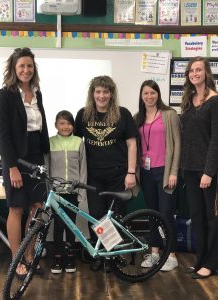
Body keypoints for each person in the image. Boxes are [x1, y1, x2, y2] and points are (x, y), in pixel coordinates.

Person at [0, 47, 50, 278]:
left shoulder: (37, 92)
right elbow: (4, 135)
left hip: (36, 154)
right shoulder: (5, 94)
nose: (26, 70)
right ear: (14, 69)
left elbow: (40, 127)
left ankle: (30, 257)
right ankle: (17, 260)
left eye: (29, 66)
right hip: (16, 158)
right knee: (16, 209)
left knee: (36, 208)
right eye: (21, 66)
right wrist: (12, 167)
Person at [74, 75, 138, 271]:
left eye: (105, 92)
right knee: (97, 215)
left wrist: (131, 172)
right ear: (92, 94)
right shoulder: (83, 115)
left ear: (111, 94)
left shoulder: (122, 114)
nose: (101, 96)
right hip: (93, 176)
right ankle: (101, 255)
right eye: (98, 91)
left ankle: (113, 257)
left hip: (118, 174)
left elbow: (132, 144)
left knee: (116, 216)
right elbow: (75, 145)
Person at [134, 80, 181, 271]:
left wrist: (173, 172)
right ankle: (154, 253)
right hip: (146, 172)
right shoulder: (137, 117)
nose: (149, 96)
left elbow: (178, 144)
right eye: (145, 93)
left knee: (166, 213)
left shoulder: (169, 115)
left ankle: (171, 255)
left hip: (164, 171)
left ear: (158, 94)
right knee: (152, 214)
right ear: (141, 96)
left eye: (153, 93)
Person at [181, 56, 218, 279]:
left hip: (208, 172)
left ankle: (211, 263)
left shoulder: (214, 101)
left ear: (206, 73)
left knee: (211, 218)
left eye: (198, 70)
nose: (194, 73)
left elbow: (215, 140)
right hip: (190, 170)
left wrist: (208, 171)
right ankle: (200, 259)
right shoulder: (189, 100)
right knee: (197, 216)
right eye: (191, 71)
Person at [46, 110, 87, 274]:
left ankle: (69, 256)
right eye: (62, 123)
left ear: (73, 125)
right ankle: (57, 256)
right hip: (56, 193)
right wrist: (48, 191)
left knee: (71, 225)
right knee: (58, 225)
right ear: (56, 124)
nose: (65, 126)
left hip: (73, 191)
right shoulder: (49, 142)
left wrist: (81, 191)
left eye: (69, 123)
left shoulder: (79, 142)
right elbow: (47, 168)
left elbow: (83, 168)